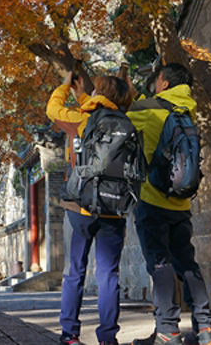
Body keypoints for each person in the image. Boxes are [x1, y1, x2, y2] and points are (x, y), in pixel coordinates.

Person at [127, 63, 211, 345]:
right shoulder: (187, 110)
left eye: (156, 80)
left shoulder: (147, 110)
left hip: (152, 199)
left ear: (164, 83)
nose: (153, 84)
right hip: (181, 201)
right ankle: (205, 330)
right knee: (187, 264)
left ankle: (168, 330)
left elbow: (123, 119)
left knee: (161, 264)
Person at [47, 71, 134, 345]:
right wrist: (84, 94)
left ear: (99, 95)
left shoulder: (82, 120)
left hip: (80, 208)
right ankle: (108, 338)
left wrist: (64, 86)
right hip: (115, 208)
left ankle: (70, 334)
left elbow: (52, 110)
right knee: (108, 274)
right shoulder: (127, 122)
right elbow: (105, 104)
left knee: (75, 272)